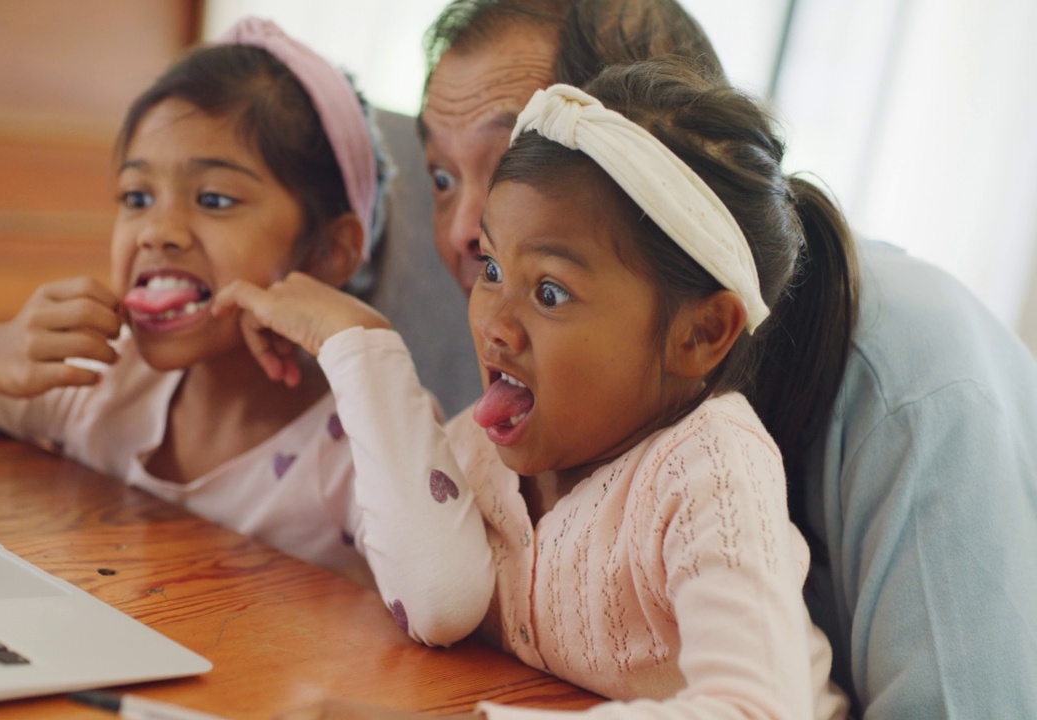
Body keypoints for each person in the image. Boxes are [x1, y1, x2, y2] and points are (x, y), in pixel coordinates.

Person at [410, 1, 1037, 717]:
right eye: (440, 178)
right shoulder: (561, 382)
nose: (463, 229)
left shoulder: (906, 378)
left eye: (513, 159)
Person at [218, 58, 852, 718]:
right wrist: (360, 347)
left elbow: (755, 712)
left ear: (700, 334)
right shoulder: (485, 449)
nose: (492, 322)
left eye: (549, 292)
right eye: (492, 267)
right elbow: (435, 601)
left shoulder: (712, 471)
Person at [0, 16, 493, 644]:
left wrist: (361, 342)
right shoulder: (92, 379)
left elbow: (444, 602)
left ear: (328, 252)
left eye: (214, 199)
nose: (156, 230)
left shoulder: (360, 443)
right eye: (137, 197)